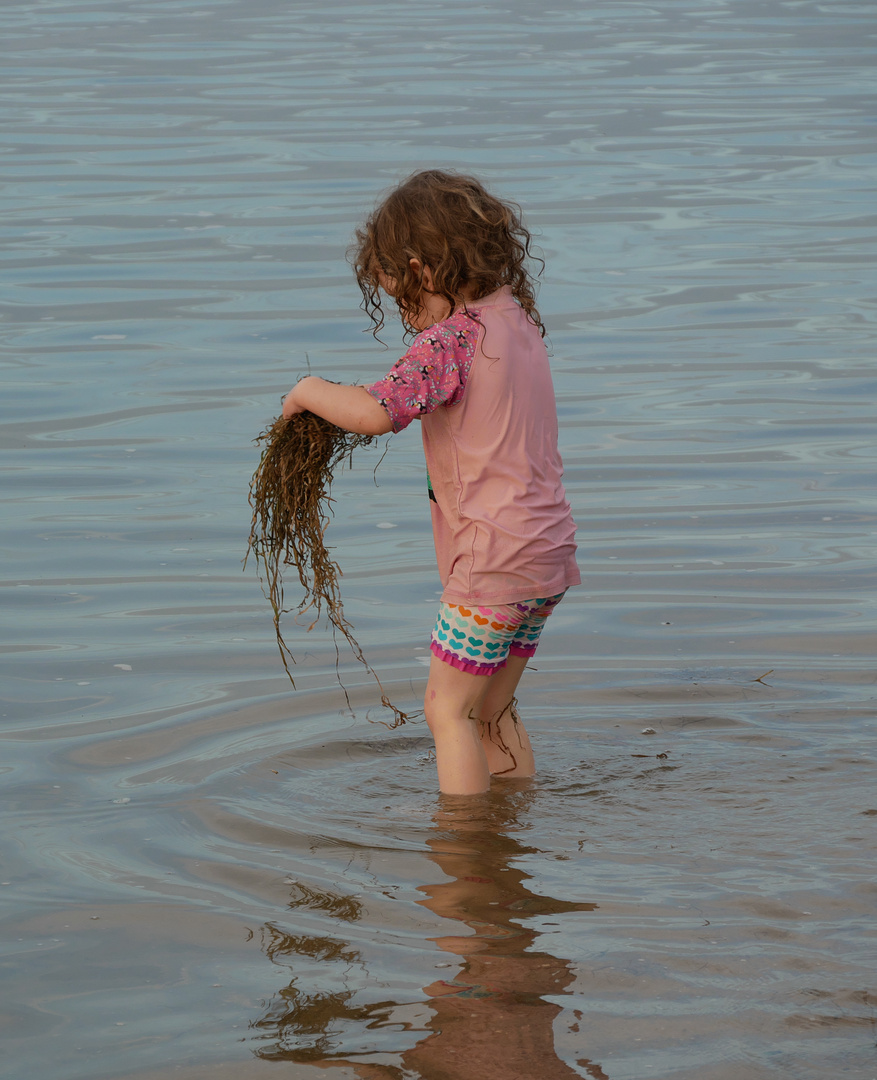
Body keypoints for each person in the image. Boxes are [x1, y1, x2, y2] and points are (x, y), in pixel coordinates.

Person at [282, 169, 580, 795]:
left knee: (448, 712)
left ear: (420, 270)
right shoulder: (518, 323)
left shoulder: (451, 341)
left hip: (491, 559)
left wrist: (308, 390)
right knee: (492, 710)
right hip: (546, 553)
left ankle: (467, 854)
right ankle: (513, 826)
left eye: (399, 298)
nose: (406, 318)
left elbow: (376, 411)